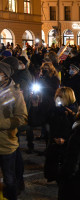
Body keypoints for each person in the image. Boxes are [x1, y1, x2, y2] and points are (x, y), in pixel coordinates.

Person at [0, 61, 28, 200]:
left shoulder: (16, 93)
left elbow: (22, 118)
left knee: (9, 179)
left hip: (6, 145)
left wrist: (2, 123)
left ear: (5, 75)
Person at [44, 87, 78, 182]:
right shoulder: (53, 110)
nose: (58, 98)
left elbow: (75, 130)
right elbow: (46, 123)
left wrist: (65, 139)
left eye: (61, 96)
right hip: (54, 144)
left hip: (68, 147)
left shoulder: (73, 112)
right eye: (57, 96)